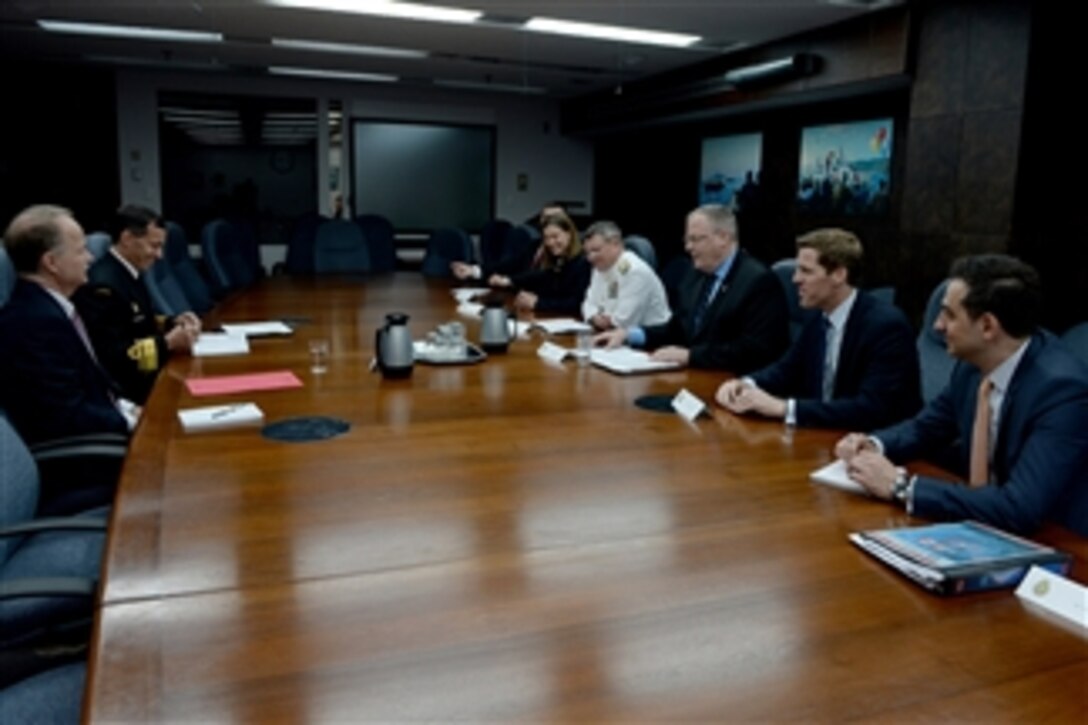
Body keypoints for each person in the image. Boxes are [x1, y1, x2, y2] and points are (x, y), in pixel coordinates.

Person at [835, 254, 1088, 536]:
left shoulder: (1062, 392)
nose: (937, 326)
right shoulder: (972, 367)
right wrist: (873, 445)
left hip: (1058, 542)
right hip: (982, 526)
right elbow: (925, 428)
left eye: (949, 315)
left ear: (988, 326)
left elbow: (1019, 508)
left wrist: (901, 486)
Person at [716, 228, 921, 429]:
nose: (795, 279)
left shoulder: (886, 326)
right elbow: (787, 369)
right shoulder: (817, 315)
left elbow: (871, 408)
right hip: (825, 435)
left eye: (806, 271)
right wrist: (746, 384)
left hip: (876, 447)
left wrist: (784, 408)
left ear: (839, 275)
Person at [0, 205, 133, 513]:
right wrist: (132, 422)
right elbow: (65, 417)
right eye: (81, 249)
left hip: (99, 443)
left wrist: (129, 408)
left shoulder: (54, 307)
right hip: (79, 472)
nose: (91, 257)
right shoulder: (31, 324)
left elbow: (89, 388)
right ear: (51, 263)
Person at [595, 204, 789, 373]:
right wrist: (630, 334)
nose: (688, 247)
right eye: (687, 240)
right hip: (695, 375)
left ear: (723, 238)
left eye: (696, 239)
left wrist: (691, 355)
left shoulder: (757, 281)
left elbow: (755, 350)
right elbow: (678, 328)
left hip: (732, 382)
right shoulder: (696, 274)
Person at [73, 204, 201, 404]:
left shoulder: (127, 271)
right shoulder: (102, 286)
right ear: (127, 239)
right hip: (131, 392)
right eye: (154, 246)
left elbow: (138, 320)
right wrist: (167, 343)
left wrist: (173, 322)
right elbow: (115, 359)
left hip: (148, 377)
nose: (159, 256)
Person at [488, 211, 590, 316]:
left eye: (555, 237)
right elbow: (538, 277)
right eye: (546, 238)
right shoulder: (556, 259)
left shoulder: (583, 262)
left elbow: (577, 303)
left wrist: (538, 303)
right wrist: (513, 284)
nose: (550, 243)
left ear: (569, 234)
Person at [581, 220, 671, 331]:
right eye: (587, 252)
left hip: (650, 340)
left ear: (615, 244)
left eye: (596, 250)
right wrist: (594, 317)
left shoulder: (634, 271)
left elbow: (625, 321)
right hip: (614, 335)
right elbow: (588, 303)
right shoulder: (600, 267)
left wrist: (605, 319)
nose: (591, 257)